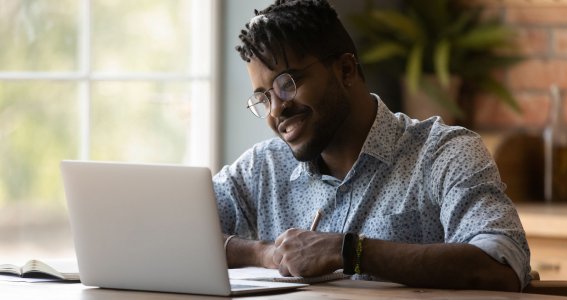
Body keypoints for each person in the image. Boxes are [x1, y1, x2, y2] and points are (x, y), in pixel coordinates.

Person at [213, 0, 530, 292]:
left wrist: (350, 251)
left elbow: (499, 266)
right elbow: (178, 231)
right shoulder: (263, 167)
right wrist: (264, 252)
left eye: (287, 84)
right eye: (264, 97)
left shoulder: (446, 155)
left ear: (346, 70)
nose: (275, 110)